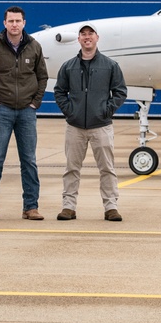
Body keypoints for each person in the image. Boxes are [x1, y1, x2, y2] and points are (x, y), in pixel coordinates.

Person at [0, 6, 49, 221]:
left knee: (29, 161)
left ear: (24, 23)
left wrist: (35, 103)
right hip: (2, 111)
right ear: (4, 23)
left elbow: (42, 77)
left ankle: (31, 207)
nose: (15, 24)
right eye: (11, 21)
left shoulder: (34, 46)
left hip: (27, 112)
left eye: (18, 21)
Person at [53, 23, 127, 222]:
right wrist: (70, 111)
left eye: (90, 34)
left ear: (97, 37)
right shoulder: (68, 66)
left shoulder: (110, 65)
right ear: (78, 39)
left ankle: (111, 207)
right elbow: (59, 91)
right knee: (71, 168)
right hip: (75, 126)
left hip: (101, 126)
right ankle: (68, 207)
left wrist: (106, 110)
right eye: (83, 34)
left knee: (107, 168)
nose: (87, 37)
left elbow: (120, 92)